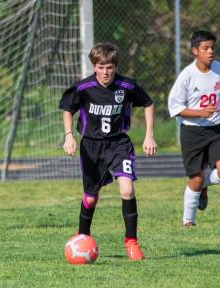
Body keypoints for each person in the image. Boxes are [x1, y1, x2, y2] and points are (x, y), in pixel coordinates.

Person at [60, 42, 157, 261]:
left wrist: (149, 134)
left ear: (115, 66)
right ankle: (83, 235)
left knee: (127, 190)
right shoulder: (84, 88)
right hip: (91, 146)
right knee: (91, 198)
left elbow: (148, 103)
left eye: (110, 67)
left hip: (119, 144)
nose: (106, 72)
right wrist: (68, 136)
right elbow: (67, 108)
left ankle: (131, 241)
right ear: (94, 67)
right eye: (101, 67)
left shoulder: (126, 86)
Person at [168, 30, 220, 227]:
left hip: (216, 129)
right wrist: (199, 112)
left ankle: (206, 183)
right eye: (205, 48)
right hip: (192, 132)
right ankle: (188, 221)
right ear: (195, 51)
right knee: (195, 179)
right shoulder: (187, 76)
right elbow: (175, 108)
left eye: (212, 47)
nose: (210, 52)